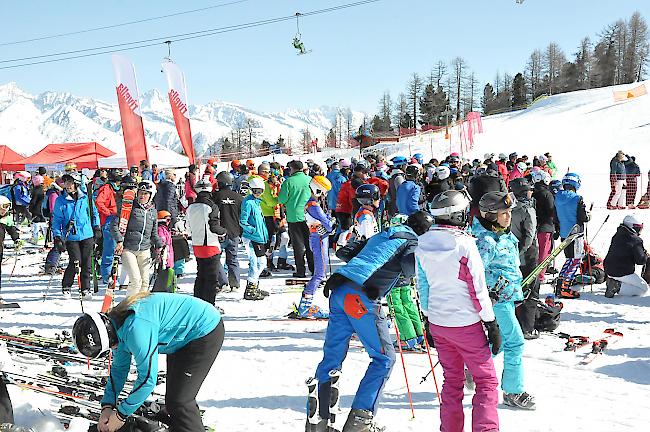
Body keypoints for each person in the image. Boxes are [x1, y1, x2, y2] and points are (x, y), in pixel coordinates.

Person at [310, 211, 431, 431]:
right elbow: (409, 266)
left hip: (339, 288)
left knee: (333, 356)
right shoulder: (412, 240)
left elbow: (347, 251)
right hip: (360, 296)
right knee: (384, 358)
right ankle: (360, 420)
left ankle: (319, 418)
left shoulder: (386, 233)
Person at [72, 293, 224, 432]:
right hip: (181, 337)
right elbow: (119, 370)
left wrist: (120, 415)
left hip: (203, 330)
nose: (113, 350)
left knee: (180, 401)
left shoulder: (136, 329)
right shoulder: (115, 326)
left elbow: (147, 380)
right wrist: (107, 406)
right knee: (174, 400)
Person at [417, 190, 501, 431]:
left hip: (439, 323)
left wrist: (428, 318)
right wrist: (491, 322)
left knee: (452, 381)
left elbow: (423, 286)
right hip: (466, 323)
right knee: (486, 381)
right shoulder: (465, 244)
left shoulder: (422, 243)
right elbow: (478, 288)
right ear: (455, 215)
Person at [473, 191, 535, 410]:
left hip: (507, 297)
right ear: (490, 215)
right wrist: (490, 291)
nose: (509, 216)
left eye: (509, 212)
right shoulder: (486, 241)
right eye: (504, 213)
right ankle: (513, 391)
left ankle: (472, 370)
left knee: (496, 342)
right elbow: (474, 273)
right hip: (497, 300)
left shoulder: (503, 235)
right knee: (515, 342)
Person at [52, 173, 101, 298]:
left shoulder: (85, 198)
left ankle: (85, 288)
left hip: (87, 234)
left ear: (77, 184)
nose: (67, 185)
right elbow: (57, 220)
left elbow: (94, 213)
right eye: (66, 182)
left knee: (87, 262)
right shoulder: (60, 200)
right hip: (71, 236)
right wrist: (57, 236)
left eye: (70, 182)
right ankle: (66, 286)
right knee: (75, 261)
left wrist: (96, 227)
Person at [111, 180, 162, 297]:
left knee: (145, 282)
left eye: (145, 193)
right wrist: (119, 240)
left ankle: (141, 307)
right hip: (128, 248)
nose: (142, 196)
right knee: (135, 280)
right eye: (140, 193)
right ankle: (129, 307)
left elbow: (153, 233)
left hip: (144, 249)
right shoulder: (128, 207)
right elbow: (114, 225)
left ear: (151, 195)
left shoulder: (153, 212)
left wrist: (160, 244)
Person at [296, 176, 334, 319]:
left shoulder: (312, 203)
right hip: (319, 239)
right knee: (319, 273)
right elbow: (328, 225)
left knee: (320, 273)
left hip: (317, 238)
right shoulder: (314, 205)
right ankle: (305, 305)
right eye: (324, 192)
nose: (324, 195)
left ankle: (306, 303)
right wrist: (330, 224)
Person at [187, 179, 228, 304]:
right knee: (211, 279)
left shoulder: (191, 207)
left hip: (197, 244)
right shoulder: (211, 206)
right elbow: (214, 227)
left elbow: (187, 228)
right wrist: (224, 231)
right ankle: (209, 305)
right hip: (210, 245)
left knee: (201, 276)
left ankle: (198, 304)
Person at [509, 178, 540, 340]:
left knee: (515, 290)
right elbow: (529, 236)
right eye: (529, 190)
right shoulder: (528, 210)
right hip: (527, 256)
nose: (531, 192)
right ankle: (527, 328)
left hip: (512, 254)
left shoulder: (508, 208)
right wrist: (522, 252)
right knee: (531, 292)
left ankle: (513, 324)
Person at [554, 172, 589, 299]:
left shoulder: (557, 196)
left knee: (569, 259)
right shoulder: (577, 198)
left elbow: (555, 216)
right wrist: (587, 215)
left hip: (564, 233)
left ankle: (560, 283)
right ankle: (565, 287)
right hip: (576, 234)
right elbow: (583, 217)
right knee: (575, 260)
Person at [278, 160, 313, 278]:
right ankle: (313, 268)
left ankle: (301, 270)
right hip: (310, 216)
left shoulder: (288, 182)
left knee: (298, 246)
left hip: (294, 217)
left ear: (292, 169)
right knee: (311, 244)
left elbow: (281, 199)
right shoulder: (309, 180)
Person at [603, 215, 649, 297]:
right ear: (632, 226)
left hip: (608, 268)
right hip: (622, 271)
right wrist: (645, 255)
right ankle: (616, 286)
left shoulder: (617, 235)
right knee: (643, 289)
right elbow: (640, 261)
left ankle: (613, 281)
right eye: (639, 227)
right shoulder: (635, 240)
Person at [212, 171, 244, 291]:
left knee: (216, 259)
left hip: (219, 232)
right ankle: (235, 283)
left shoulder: (215, 197)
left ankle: (223, 282)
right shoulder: (239, 198)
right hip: (234, 232)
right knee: (233, 259)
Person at [240, 177, 270, 300]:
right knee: (256, 263)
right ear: (250, 190)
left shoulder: (256, 202)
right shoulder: (248, 202)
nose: (258, 194)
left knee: (261, 263)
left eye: (260, 191)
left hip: (258, 237)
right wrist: (252, 231)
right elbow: (243, 221)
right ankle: (250, 289)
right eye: (255, 191)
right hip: (251, 238)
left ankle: (254, 285)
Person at [95, 169, 122, 284]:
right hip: (108, 220)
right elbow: (99, 202)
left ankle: (112, 273)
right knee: (109, 249)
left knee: (116, 248)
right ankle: (106, 275)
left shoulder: (116, 189)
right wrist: (108, 212)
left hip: (117, 219)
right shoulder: (107, 188)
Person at [531, 170, 555, 283]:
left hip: (532, 224)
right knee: (544, 251)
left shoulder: (532, 192)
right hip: (545, 225)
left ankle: (536, 272)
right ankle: (540, 275)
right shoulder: (547, 193)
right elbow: (552, 211)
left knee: (534, 250)